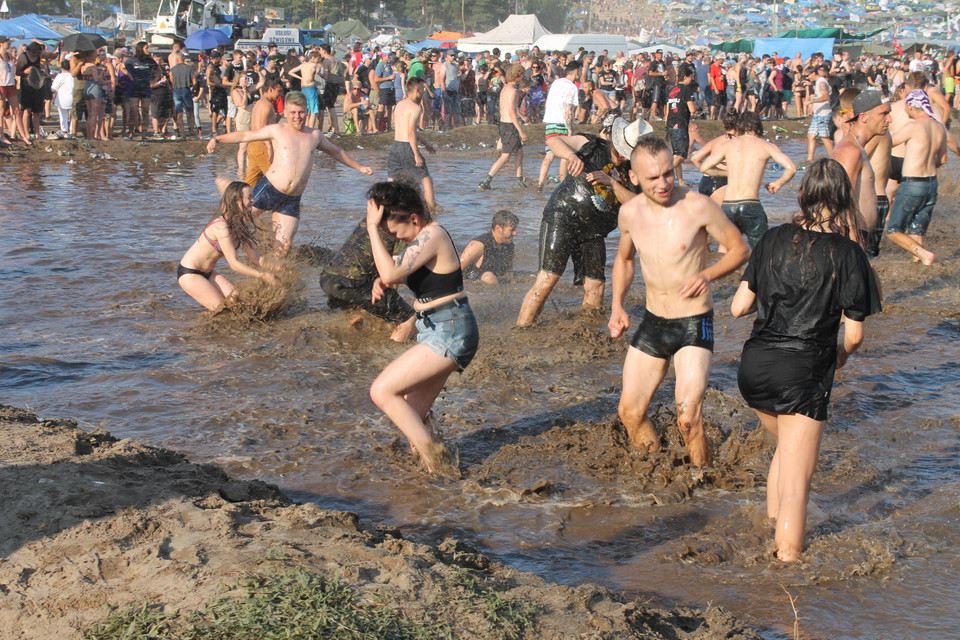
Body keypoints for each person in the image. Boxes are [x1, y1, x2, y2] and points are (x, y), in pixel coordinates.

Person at [731, 158, 881, 562]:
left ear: (803, 195)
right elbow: (854, 335)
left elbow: (737, 307)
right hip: (803, 372)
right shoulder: (847, 253)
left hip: (754, 368)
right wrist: (840, 357)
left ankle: (770, 526)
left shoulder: (772, 238)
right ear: (844, 199)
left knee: (786, 453)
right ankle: (788, 566)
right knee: (799, 479)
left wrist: (776, 292)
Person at [609, 135, 749, 467]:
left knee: (688, 419)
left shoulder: (697, 206)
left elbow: (741, 249)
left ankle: (705, 483)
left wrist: (707, 275)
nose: (662, 184)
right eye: (652, 178)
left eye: (667, 174)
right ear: (633, 177)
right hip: (654, 321)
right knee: (629, 413)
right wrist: (617, 305)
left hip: (693, 322)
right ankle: (659, 470)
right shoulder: (629, 214)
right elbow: (625, 260)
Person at [365, 181, 479, 476]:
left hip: (451, 330)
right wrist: (385, 279)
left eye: (395, 232)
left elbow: (392, 270)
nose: (395, 238)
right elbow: (396, 270)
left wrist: (370, 228)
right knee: (411, 415)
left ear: (413, 218)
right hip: (440, 329)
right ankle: (438, 478)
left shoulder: (434, 233)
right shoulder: (423, 238)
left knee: (381, 391)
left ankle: (438, 464)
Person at [516, 116, 649, 326]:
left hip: (595, 231)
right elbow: (553, 141)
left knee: (596, 287)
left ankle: (586, 332)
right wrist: (571, 156)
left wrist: (613, 184)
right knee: (547, 280)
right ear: (616, 141)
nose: (624, 156)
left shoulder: (634, 170)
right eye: (623, 150)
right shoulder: (592, 145)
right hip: (563, 216)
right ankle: (522, 330)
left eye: (630, 153)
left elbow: (640, 205)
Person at [207, 91, 373, 256]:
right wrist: (218, 139)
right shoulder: (277, 130)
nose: (297, 117)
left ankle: (270, 278)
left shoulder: (315, 135)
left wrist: (359, 167)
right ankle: (209, 246)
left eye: (301, 112)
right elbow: (246, 135)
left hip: (291, 200)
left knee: (282, 249)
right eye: (293, 112)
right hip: (269, 190)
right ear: (286, 113)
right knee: (236, 221)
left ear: (307, 112)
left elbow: (336, 152)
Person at [699, 111, 797, 248]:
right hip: (750, 205)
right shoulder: (766, 145)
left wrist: (728, 173)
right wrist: (777, 183)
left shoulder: (729, 144)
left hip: (728, 205)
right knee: (762, 251)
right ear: (758, 127)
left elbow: (704, 167)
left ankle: (727, 269)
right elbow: (791, 168)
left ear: (740, 127)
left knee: (727, 248)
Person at [177, 181, 278, 310]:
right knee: (222, 310)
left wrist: (279, 270)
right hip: (190, 273)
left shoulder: (240, 225)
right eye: (249, 198)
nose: (253, 201)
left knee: (237, 302)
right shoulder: (221, 225)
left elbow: (256, 259)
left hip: (208, 272)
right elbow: (233, 263)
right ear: (236, 200)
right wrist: (262, 276)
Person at [319, 213, 417, 343]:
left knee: (364, 308)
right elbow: (393, 273)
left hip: (328, 279)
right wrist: (392, 304)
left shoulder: (373, 216)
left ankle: (347, 348)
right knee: (409, 317)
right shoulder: (400, 225)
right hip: (352, 283)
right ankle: (393, 353)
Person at [885, 90, 946, 265]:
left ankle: (924, 254)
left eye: (906, 104)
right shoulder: (939, 127)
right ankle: (918, 262)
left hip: (913, 183)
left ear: (911, 106)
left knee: (893, 230)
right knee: (916, 228)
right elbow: (941, 159)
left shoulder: (914, 127)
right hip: (931, 184)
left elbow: (890, 143)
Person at [831, 90, 891, 251]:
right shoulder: (850, 151)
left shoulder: (857, 148)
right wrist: (857, 246)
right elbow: (843, 202)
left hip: (860, 235)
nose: (890, 119)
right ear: (863, 117)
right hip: (853, 238)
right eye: (884, 114)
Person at [389, 76, 437, 210]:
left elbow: (407, 130)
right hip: (407, 147)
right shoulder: (416, 107)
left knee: (392, 179)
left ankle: (387, 207)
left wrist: (426, 144)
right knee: (426, 180)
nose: (423, 92)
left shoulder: (399, 105)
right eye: (422, 89)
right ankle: (431, 208)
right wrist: (416, 154)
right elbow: (410, 133)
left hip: (395, 146)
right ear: (417, 89)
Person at [478, 64, 528, 190]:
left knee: (520, 152)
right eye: (522, 75)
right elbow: (511, 112)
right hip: (509, 125)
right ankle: (486, 180)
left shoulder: (506, 88)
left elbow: (511, 107)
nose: (523, 77)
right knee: (506, 156)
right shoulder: (512, 91)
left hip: (504, 124)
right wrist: (521, 131)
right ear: (518, 76)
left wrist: (522, 116)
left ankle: (519, 180)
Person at [537, 61, 580, 193]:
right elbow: (568, 111)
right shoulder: (572, 87)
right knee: (564, 156)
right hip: (562, 123)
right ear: (577, 72)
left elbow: (548, 102)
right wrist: (570, 128)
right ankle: (563, 186)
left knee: (549, 156)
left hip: (550, 122)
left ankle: (540, 185)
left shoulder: (556, 82)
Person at [690, 109, 738, 205]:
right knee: (724, 218)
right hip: (722, 182)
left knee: (708, 217)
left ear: (723, 124)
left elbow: (695, 159)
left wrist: (706, 170)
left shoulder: (716, 141)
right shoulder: (739, 142)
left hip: (705, 181)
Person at [459, 209, 519, 284]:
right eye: (512, 230)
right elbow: (456, 269)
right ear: (498, 228)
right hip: (474, 282)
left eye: (515, 229)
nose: (515, 233)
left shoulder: (509, 245)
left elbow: (509, 273)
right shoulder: (479, 245)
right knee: (488, 277)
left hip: (497, 280)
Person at [243, 78, 282, 188]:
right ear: (270, 89)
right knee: (276, 180)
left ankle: (241, 203)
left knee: (250, 182)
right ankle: (281, 204)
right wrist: (269, 147)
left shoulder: (259, 103)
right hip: (262, 146)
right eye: (278, 91)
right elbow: (262, 127)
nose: (280, 94)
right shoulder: (266, 105)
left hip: (253, 145)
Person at [666, 66, 697, 187]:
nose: (691, 79)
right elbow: (692, 109)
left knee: (676, 153)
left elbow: (667, 110)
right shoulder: (686, 89)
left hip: (671, 124)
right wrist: (696, 108)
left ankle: (680, 181)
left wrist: (666, 128)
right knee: (682, 155)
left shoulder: (672, 90)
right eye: (690, 77)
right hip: (681, 124)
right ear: (685, 77)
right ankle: (665, 171)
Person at [806, 65, 834, 161]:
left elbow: (825, 97)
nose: (808, 77)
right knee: (811, 135)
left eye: (808, 75)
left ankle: (834, 158)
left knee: (824, 137)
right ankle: (810, 159)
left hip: (824, 114)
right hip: (818, 114)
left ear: (813, 73)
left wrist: (811, 102)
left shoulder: (821, 82)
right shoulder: (818, 82)